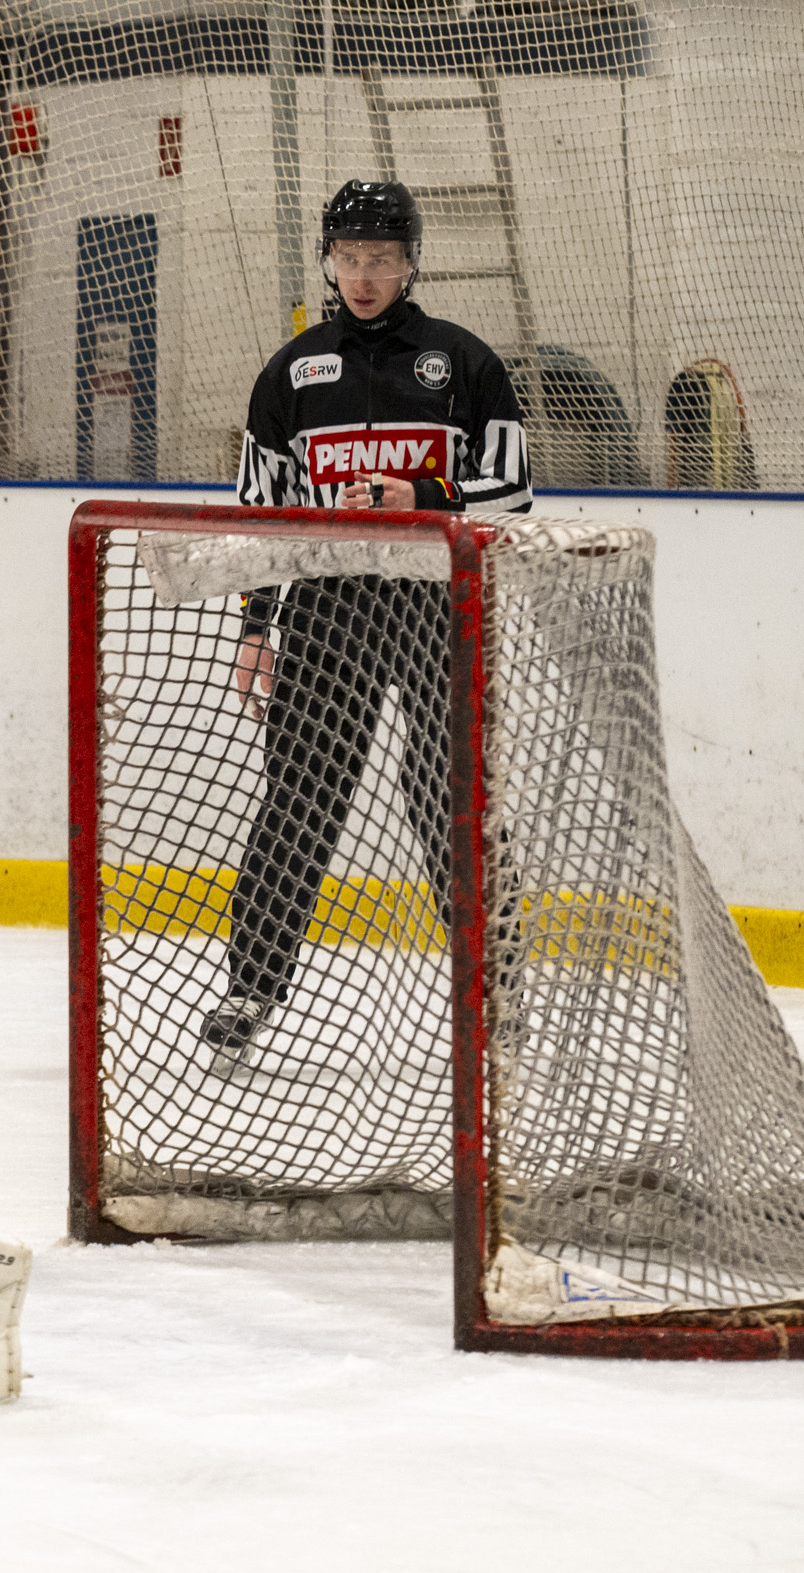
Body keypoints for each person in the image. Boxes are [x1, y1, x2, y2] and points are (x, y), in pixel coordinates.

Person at [211, 179, 531, 1056]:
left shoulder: (465, 364)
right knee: (299, 803)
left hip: (436, 609)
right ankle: (248, 991)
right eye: (348, 258)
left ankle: (493, 989)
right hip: (328, 613)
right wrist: (253, 628)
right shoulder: (292, 371)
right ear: (328, 261)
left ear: (410, 262)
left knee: (447, 799)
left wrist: (419, 492)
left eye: (381, 259)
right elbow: (261, 515)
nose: (363, 275)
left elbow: (513, 496)